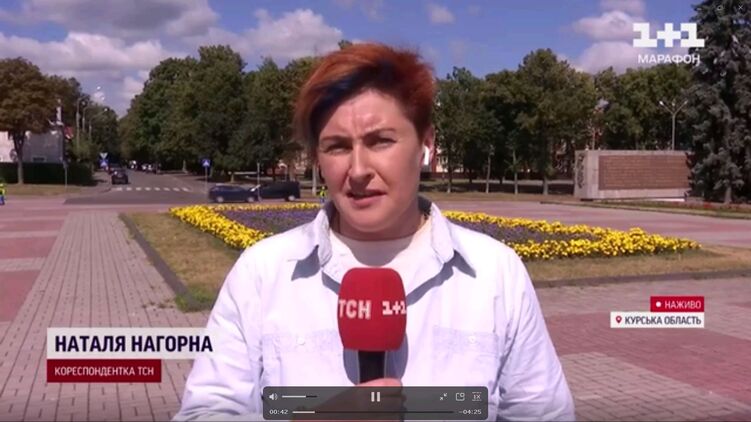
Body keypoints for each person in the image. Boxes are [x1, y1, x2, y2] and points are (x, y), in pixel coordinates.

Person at [174, 43, 574, 421]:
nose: (359, 170)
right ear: (318, 159)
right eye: (337, 146)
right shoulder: (263, 273)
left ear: (426, 145)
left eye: (380, 141)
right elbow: (204, 411)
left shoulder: (495, 273)